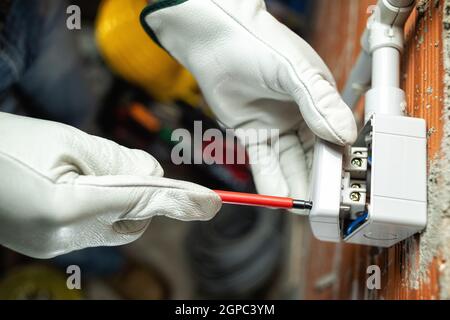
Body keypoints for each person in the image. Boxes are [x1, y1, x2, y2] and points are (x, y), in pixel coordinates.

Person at [0, 0, 357, 259]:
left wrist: (193, 10)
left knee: (77, 118)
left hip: (25, 11)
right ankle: (108, 269)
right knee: (66, 219)